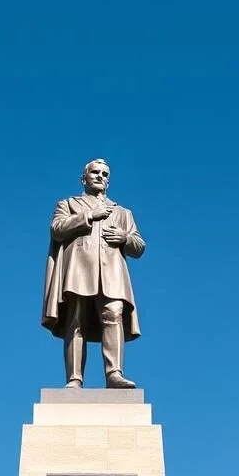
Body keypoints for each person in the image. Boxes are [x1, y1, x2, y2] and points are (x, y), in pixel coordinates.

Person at [41, 159, 146, 389]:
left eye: (105, 174)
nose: (100, 176)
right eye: (95, 172)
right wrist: (88, 216)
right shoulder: (68, 204)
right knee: (76, 319)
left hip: (112, 274)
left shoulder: (122, 212)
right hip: (78, 269)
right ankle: (74, 378)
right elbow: (57, 230)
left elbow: (139, 245)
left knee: (113, 314)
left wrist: (125, 238)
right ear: (84, 178)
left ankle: (114, 374)